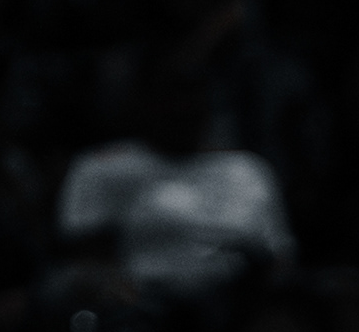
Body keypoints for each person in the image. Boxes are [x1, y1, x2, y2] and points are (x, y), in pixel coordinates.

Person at [54, 58, 295, 301]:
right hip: (142, 305)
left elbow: (278, 255)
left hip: (237, 304)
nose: (181, 107)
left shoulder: (248, 169)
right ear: (142, 102)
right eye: (170, 96)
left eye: (191, 95)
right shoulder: (104, 166)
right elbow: (85, 258)